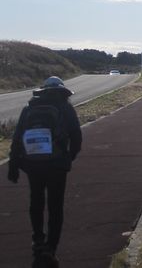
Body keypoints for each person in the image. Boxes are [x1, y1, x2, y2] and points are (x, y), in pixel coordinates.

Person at [7, 76, 82, 266]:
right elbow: (76, 137)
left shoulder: (29, 109)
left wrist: (13, 165)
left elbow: (17, 139)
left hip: (33, 163)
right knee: (55, 206)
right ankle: (51, 246)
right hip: (57, 164)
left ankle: (38, 240)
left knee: (36, 200)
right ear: (62, 92)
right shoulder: (66, 108)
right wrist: (68, 157)